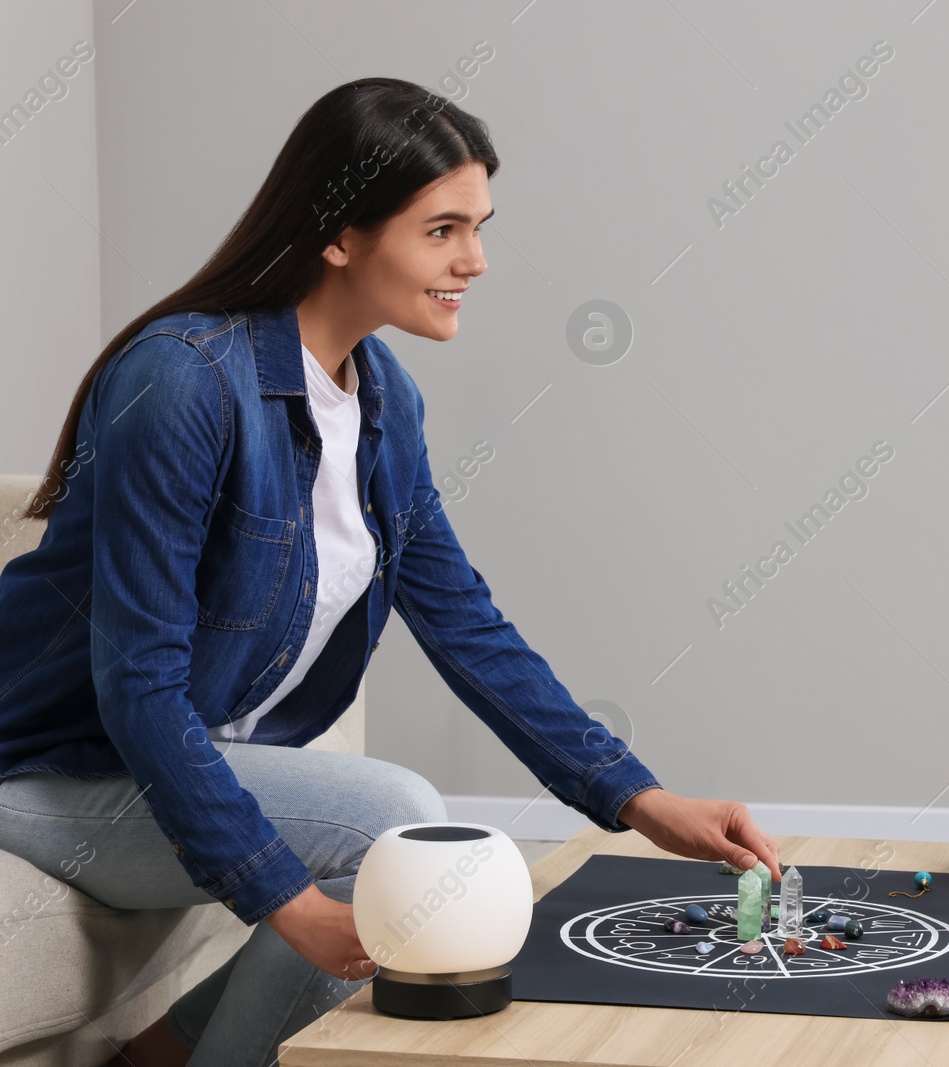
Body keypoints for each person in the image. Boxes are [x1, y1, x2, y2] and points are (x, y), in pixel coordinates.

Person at [0, 77, 780, 1067]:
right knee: (400, 825)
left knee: (403, 840)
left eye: (480, 226)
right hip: (37, 763)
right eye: (442, 229)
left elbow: (466, 625)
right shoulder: (183, 382)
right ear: (339, 234)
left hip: (125, 761)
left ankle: (159, 1052)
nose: (476, 260)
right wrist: (287, 902)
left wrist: (639, 797)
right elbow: (139, 689)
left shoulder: (381, 400)